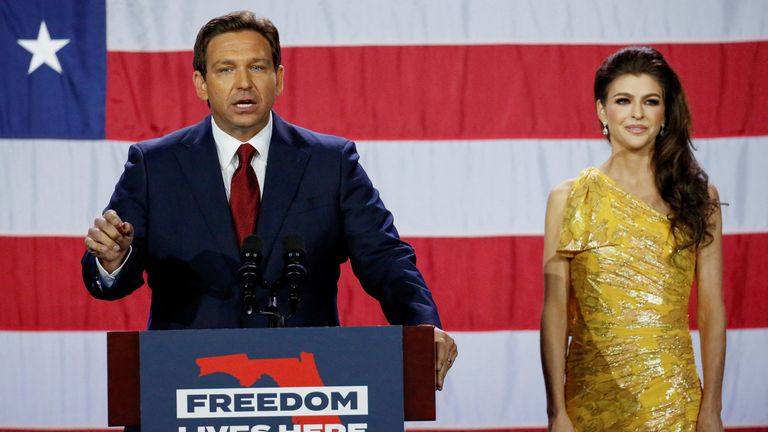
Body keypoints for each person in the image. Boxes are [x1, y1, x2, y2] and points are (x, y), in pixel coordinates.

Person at [82, 11, 457, 389]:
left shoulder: (331, 163)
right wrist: (113, 260)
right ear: (201, 83)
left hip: (306, 384)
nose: (243, 83)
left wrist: (422, 326)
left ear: (278, 78)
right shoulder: (154, 165)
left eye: (257, 67)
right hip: (187, 382)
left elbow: (384, 259)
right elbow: (112, 272)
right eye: (226, 69)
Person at [540, 46, 726, 431]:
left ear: (665, 113)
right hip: (587, 404)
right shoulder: (570, 196)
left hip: (675, 404)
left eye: (650, 101)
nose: (637, 113)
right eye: (623, 100)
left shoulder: (697, 195)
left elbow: (710, 311)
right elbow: (555, 312)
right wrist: (556, 411)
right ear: (601, 111)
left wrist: (712, 410)